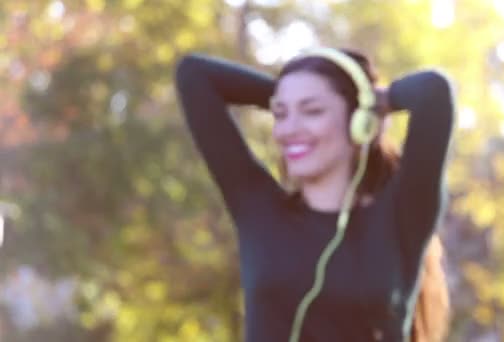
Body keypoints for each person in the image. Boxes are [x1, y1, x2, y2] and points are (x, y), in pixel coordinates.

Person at [175, 47, 454, 341]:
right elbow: (194, 74)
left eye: (312, 111)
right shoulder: (259, 209)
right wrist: (290, 91)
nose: (288, 130)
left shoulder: (401, 216)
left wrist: (371, 99)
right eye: (281, 114)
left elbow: (433, 92)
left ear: (360, 123)